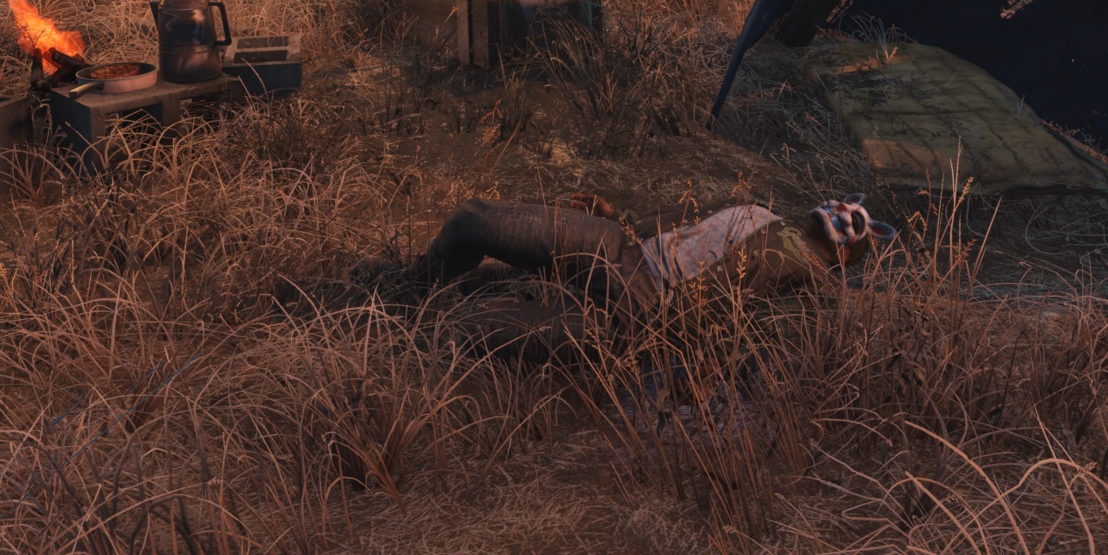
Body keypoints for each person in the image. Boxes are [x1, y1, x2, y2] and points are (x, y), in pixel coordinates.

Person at [356, 191, 899, 359]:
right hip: (619, 246)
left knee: (466, 332)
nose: (847, 213)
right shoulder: (759, 208)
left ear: (849, 256)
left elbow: (760, 344)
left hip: (635, 315)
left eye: (858, 225)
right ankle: (410, 284)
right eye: (849, 206)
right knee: (471, 220)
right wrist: (619, 217)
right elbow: (684, 218)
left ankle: (375, 338)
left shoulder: (815, 286)